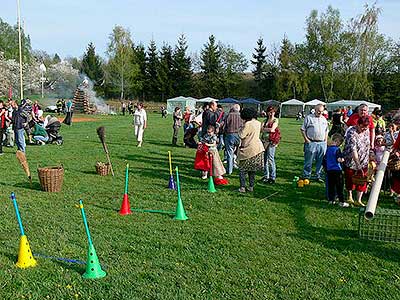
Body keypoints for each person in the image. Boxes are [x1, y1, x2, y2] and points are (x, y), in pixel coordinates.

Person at [343, 116, 371, 206]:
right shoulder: (352, 132)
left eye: (366, 128)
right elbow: (353, 150)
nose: (364, 129)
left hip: (364, 159)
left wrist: (368, 157)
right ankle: (350, 196)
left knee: (362, 179)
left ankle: (358, 199)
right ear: (358, 124)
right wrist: (358, 164)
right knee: (350, 178)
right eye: (362, 127)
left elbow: (368, 145)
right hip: (351, 159)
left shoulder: (366, 131)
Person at [237, 107, 264, 193]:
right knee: (252, 170)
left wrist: (240, 128)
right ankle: (251, 186)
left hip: (248, 149)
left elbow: (241, 135)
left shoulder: (248, 124)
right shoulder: (258, 123)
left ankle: (242, 187)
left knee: (242, 170)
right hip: (258, 148)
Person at [300, 104, 328, 182]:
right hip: (311, 142)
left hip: (322, 143)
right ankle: (306, 175)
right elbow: (302, 129)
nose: (320, 113)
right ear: (315, 110)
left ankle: (318, 175)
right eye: (318, 111)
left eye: (321, 111)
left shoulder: (324, 119)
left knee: (321, 160)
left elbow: (326, 130)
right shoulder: (309, 118)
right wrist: (306, 140)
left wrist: (325, 140)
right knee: (309, 160)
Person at [323, 133, 349, 207]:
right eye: (340, 143)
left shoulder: (328, 149)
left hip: (329, 170)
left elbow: (324, 159)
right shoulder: (337, 150)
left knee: (331, 185)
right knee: (339, 186)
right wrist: (343, 159)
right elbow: (339, 159)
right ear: (337, 142)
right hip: (337, 170)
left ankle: (331, 200)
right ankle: (341, 202)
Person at [260, 106, 281, 184]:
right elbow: (260, 130)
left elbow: (272, 130)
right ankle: (266, 176)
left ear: (274, 112)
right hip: (264, 142)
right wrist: (265, 129)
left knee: (270, 159)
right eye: (270, 112)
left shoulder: (275, 120)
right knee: (264, 159)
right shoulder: (265, 120)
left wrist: (264, 129)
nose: (271, 113)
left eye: (272, 112)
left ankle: (272, 177)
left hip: (272, 142)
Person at [223, 104, 242, 175]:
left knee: (229, 153)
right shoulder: (241, 116)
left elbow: (225, 126)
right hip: (239, 135)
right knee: (239, 152)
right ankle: (240, 168)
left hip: (230, 135)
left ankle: (229, 170)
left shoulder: (229, 115)